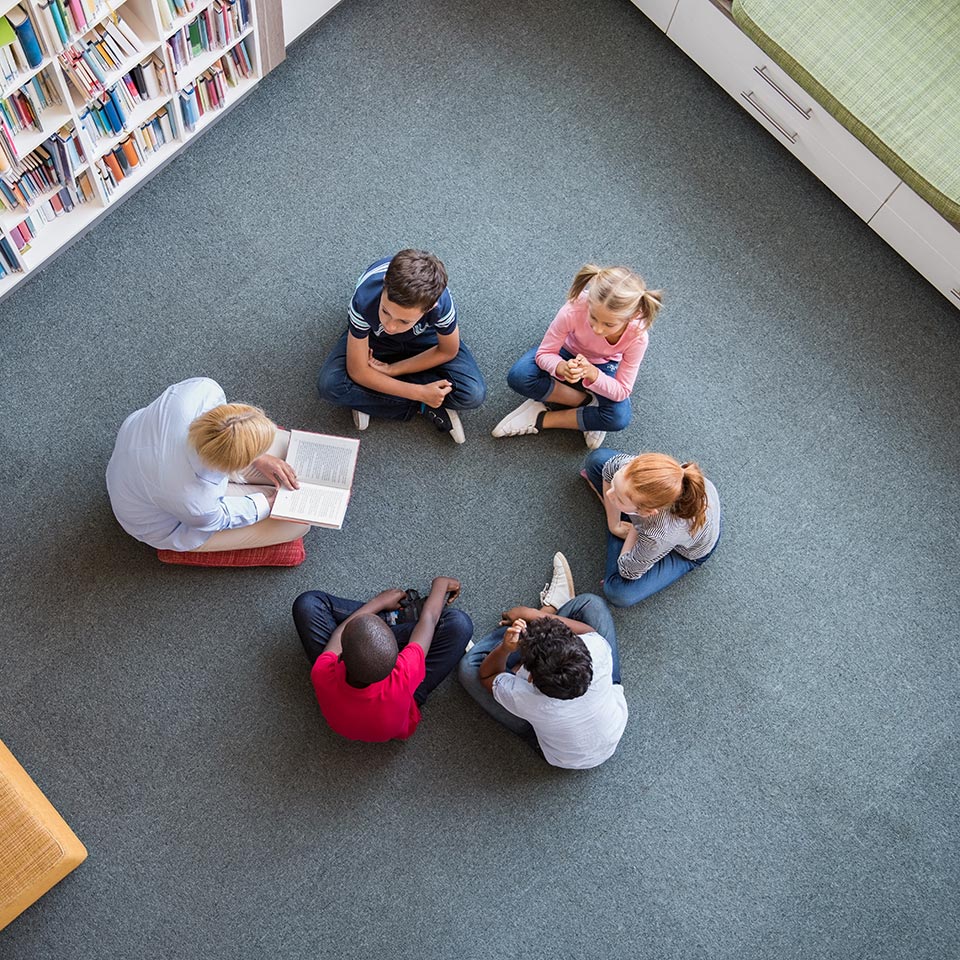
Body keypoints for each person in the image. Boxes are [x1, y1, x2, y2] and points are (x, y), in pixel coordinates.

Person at [458, 554, 628, 769]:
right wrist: (531, 614)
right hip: (610, 730)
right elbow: (589, 632)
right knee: (590, 604)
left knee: (469, 668)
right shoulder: (596, 649)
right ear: (581, 647)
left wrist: (506, 647)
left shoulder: (526, 698)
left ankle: (537, 620)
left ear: (529, 676)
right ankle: (543, 617)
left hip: (557, 753)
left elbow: (486, 675)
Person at [106, 377, 308, 552]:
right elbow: (221, 517)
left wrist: (259, 457)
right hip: (164, 518)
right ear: (234, 464)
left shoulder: (202, 391)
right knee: (297, 526)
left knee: (287, 450)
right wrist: (268, 504)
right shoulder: (196, 503)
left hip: (142, 455)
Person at [316, 249, 487, 444]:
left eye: (403, 321)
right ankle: (424, 405)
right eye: (385, 311)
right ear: (384, 288)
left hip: (424, 337)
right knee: (330, 385)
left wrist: (391, 370)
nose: (390, 326)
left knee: (473, 393)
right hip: (375, 338)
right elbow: (357, 371)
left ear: (429, 308)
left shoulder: (441, 304)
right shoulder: (364, 298)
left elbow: (448, 350)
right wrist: (420, 393)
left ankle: (370, 396)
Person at [492, 264, 662, 450]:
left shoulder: (638, 336)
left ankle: (541, 419)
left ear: (632, 317)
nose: (598, 329)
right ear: (589, 302)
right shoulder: (573, 309)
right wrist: (561, 367)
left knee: (618, 418)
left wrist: (593, 375)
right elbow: (545, 353)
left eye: (609, 324)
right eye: (593, 317)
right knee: (519, 376)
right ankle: (587, 404)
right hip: (567, 350)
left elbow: (622, 390)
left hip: (605, 365)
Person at [293, 577, 472, 742]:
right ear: (397, 657)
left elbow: (342, 632)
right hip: (405, 701)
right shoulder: (404, 672)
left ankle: (386, 619)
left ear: (340, 657)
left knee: (308, 604)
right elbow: (430, 619)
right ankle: (394, 620)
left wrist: (379, 602)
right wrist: (440, 584)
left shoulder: (323, 672)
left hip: (351, 705)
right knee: (459, 624)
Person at [583, 448, 721, 607]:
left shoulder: (657, 535)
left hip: (690, 550)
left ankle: (629, 520)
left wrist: (637, 529)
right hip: (657, 520)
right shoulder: (626, 466)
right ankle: (626, 514)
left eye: (619, 498)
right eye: (614, 485)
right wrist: (614, 526)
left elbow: (628, 570)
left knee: (617, 592)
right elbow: (608, 470)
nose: (609, 494)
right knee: (596, 460)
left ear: (648, 512)